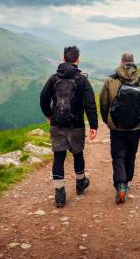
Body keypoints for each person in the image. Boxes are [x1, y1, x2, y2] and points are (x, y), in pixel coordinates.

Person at [40, 46, 98, 208]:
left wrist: (49, 115)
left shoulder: (53, 78)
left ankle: (59, 194)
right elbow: (90, 103)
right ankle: (80, 184)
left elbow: (43, 98)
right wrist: (93, 125)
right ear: (78, 60)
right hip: (76, 125)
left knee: (59, 157)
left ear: (63, 58)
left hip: (57, 125)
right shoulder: (82, 80)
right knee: (78, 154)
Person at [99, 52, 140, 204]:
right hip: (135, 128)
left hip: (116, 127)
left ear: (121, 62)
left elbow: (103, 103)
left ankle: (120, 184)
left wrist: (107, 120)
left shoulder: (111, 80)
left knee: (118, 155)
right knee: (131, 155)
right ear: (134, 63)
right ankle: (126, 183)